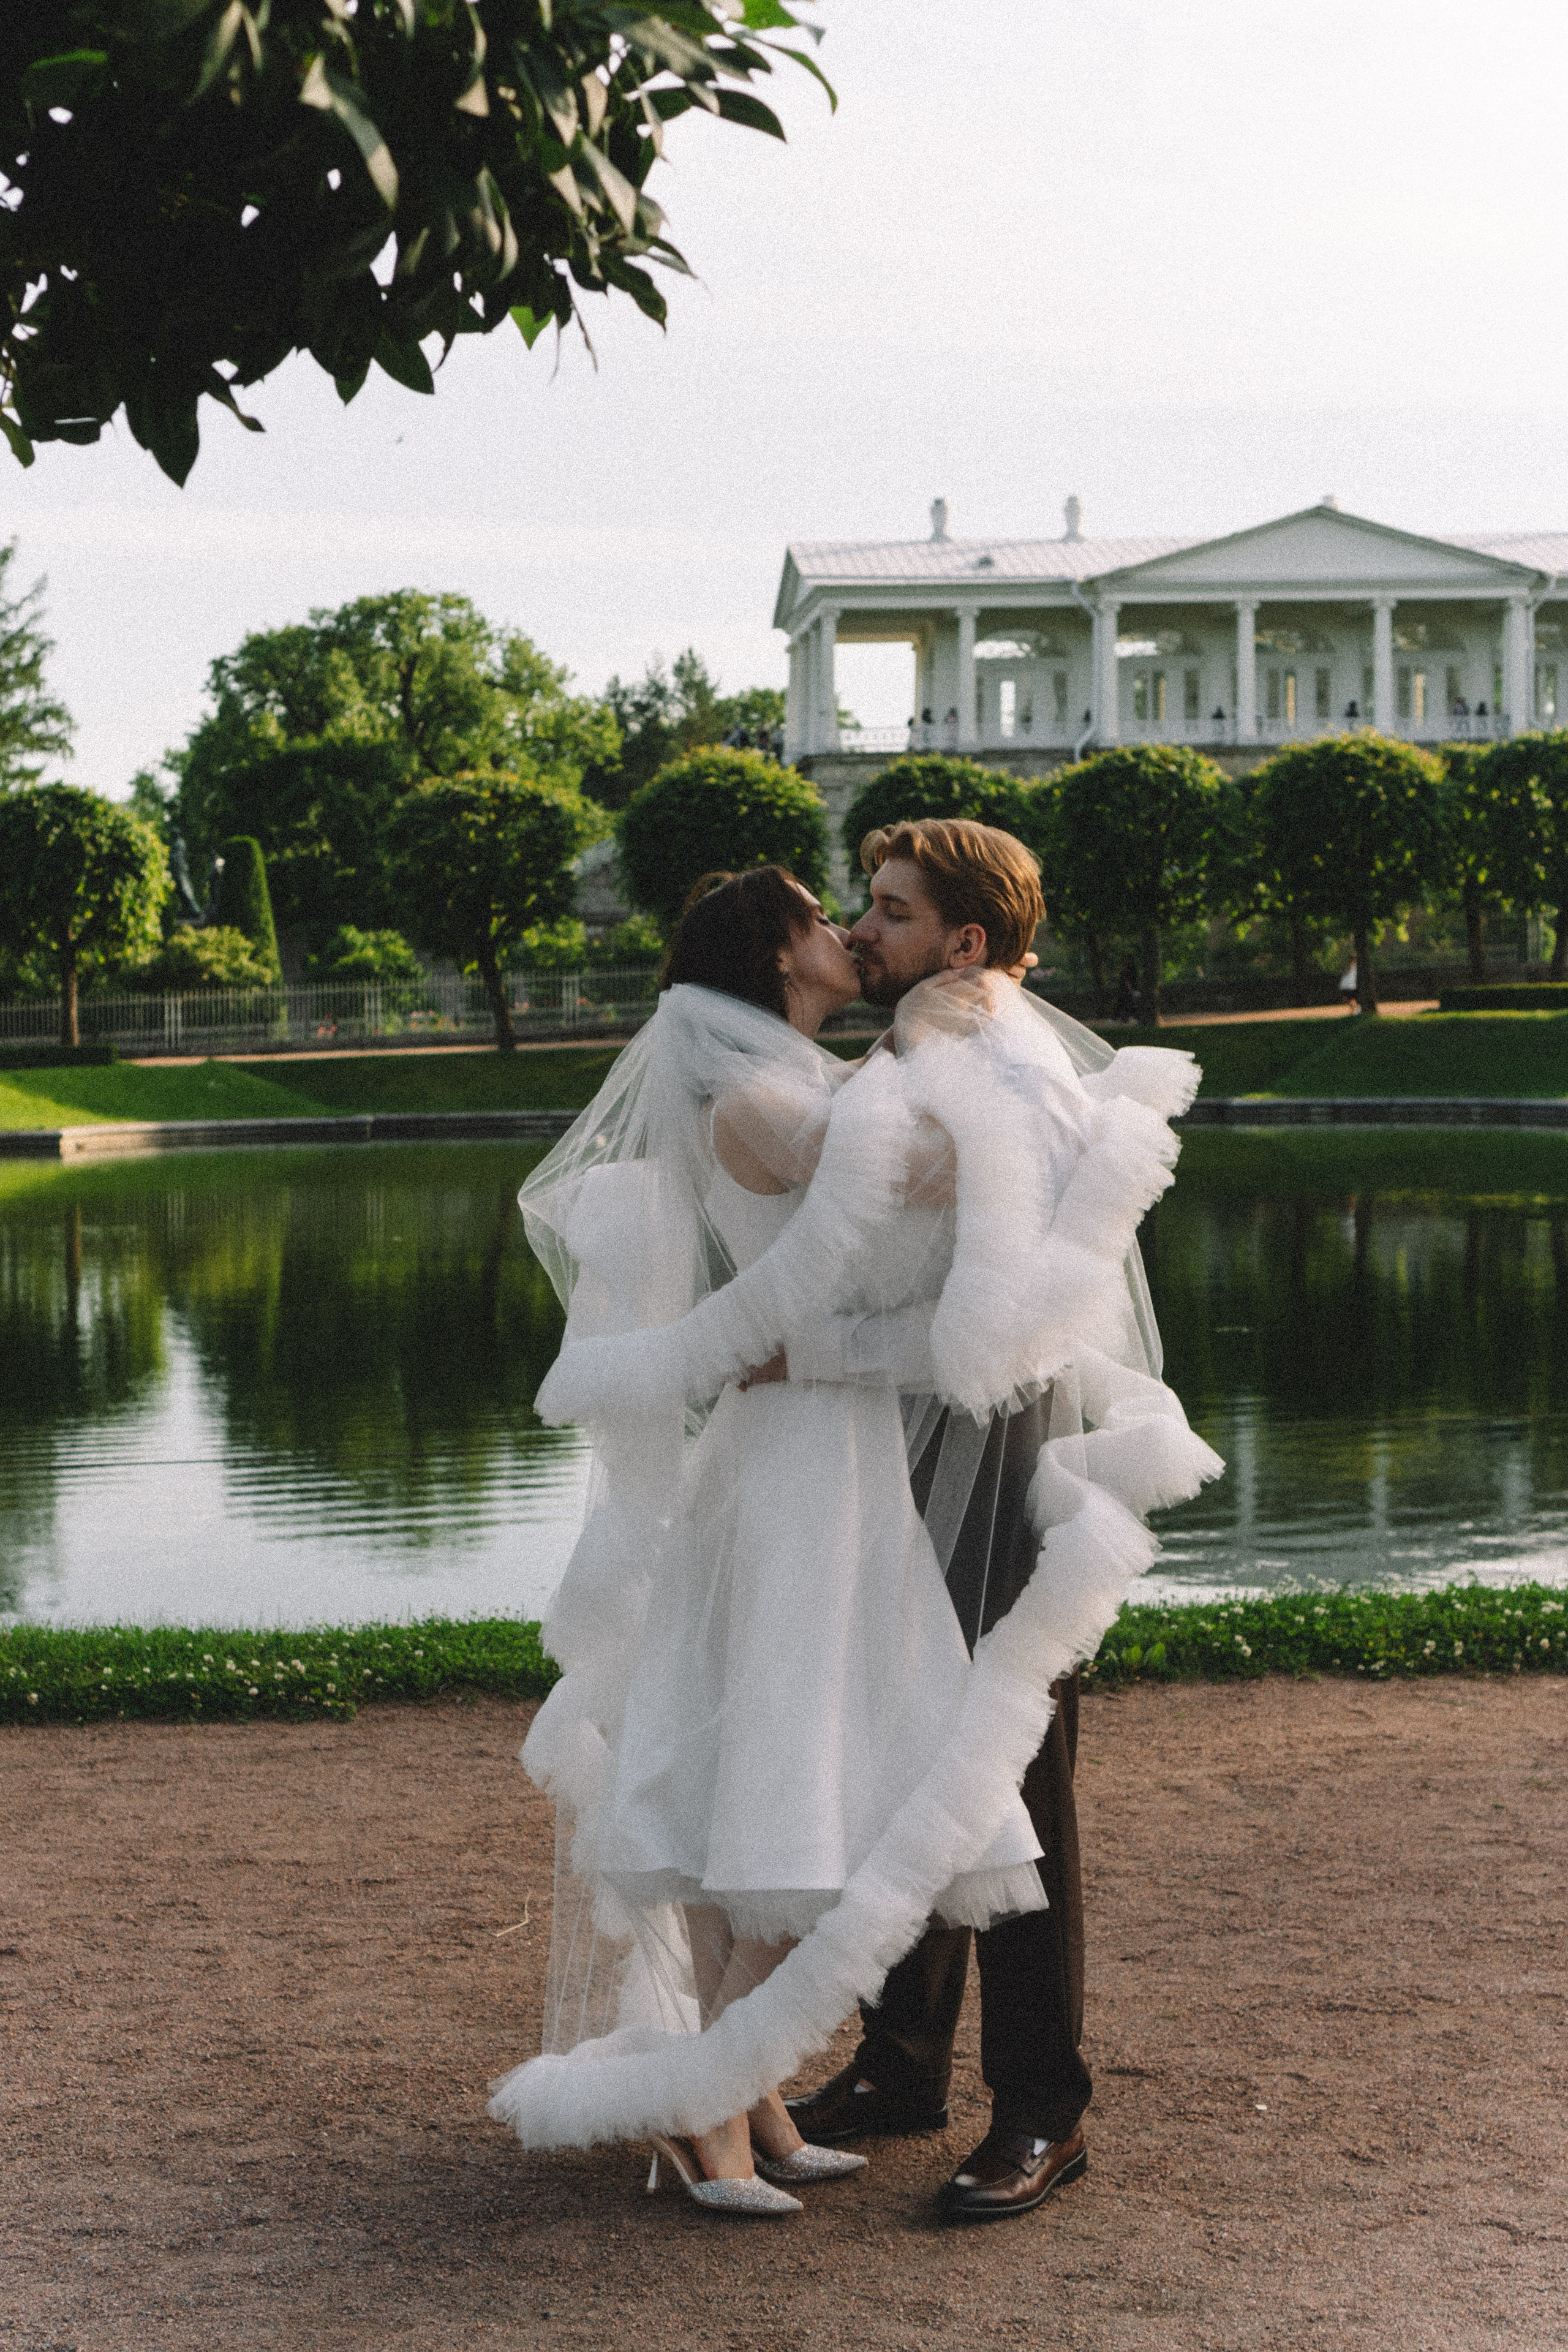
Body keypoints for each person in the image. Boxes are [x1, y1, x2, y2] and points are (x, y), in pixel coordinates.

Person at [491, 829, 1221, 2225]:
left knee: (1000, 1773)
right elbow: (852, 1221)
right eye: (849, 913)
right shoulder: (863, 1068)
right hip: (859, 1466)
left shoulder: (987, 1058)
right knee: (880, 1752)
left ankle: (1037, 2110)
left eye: (885, 912)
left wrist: (798, 1351)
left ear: (958, 944)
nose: (862, 931)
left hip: (987, 1453)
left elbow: (984, 1306)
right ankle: (885, 2067)